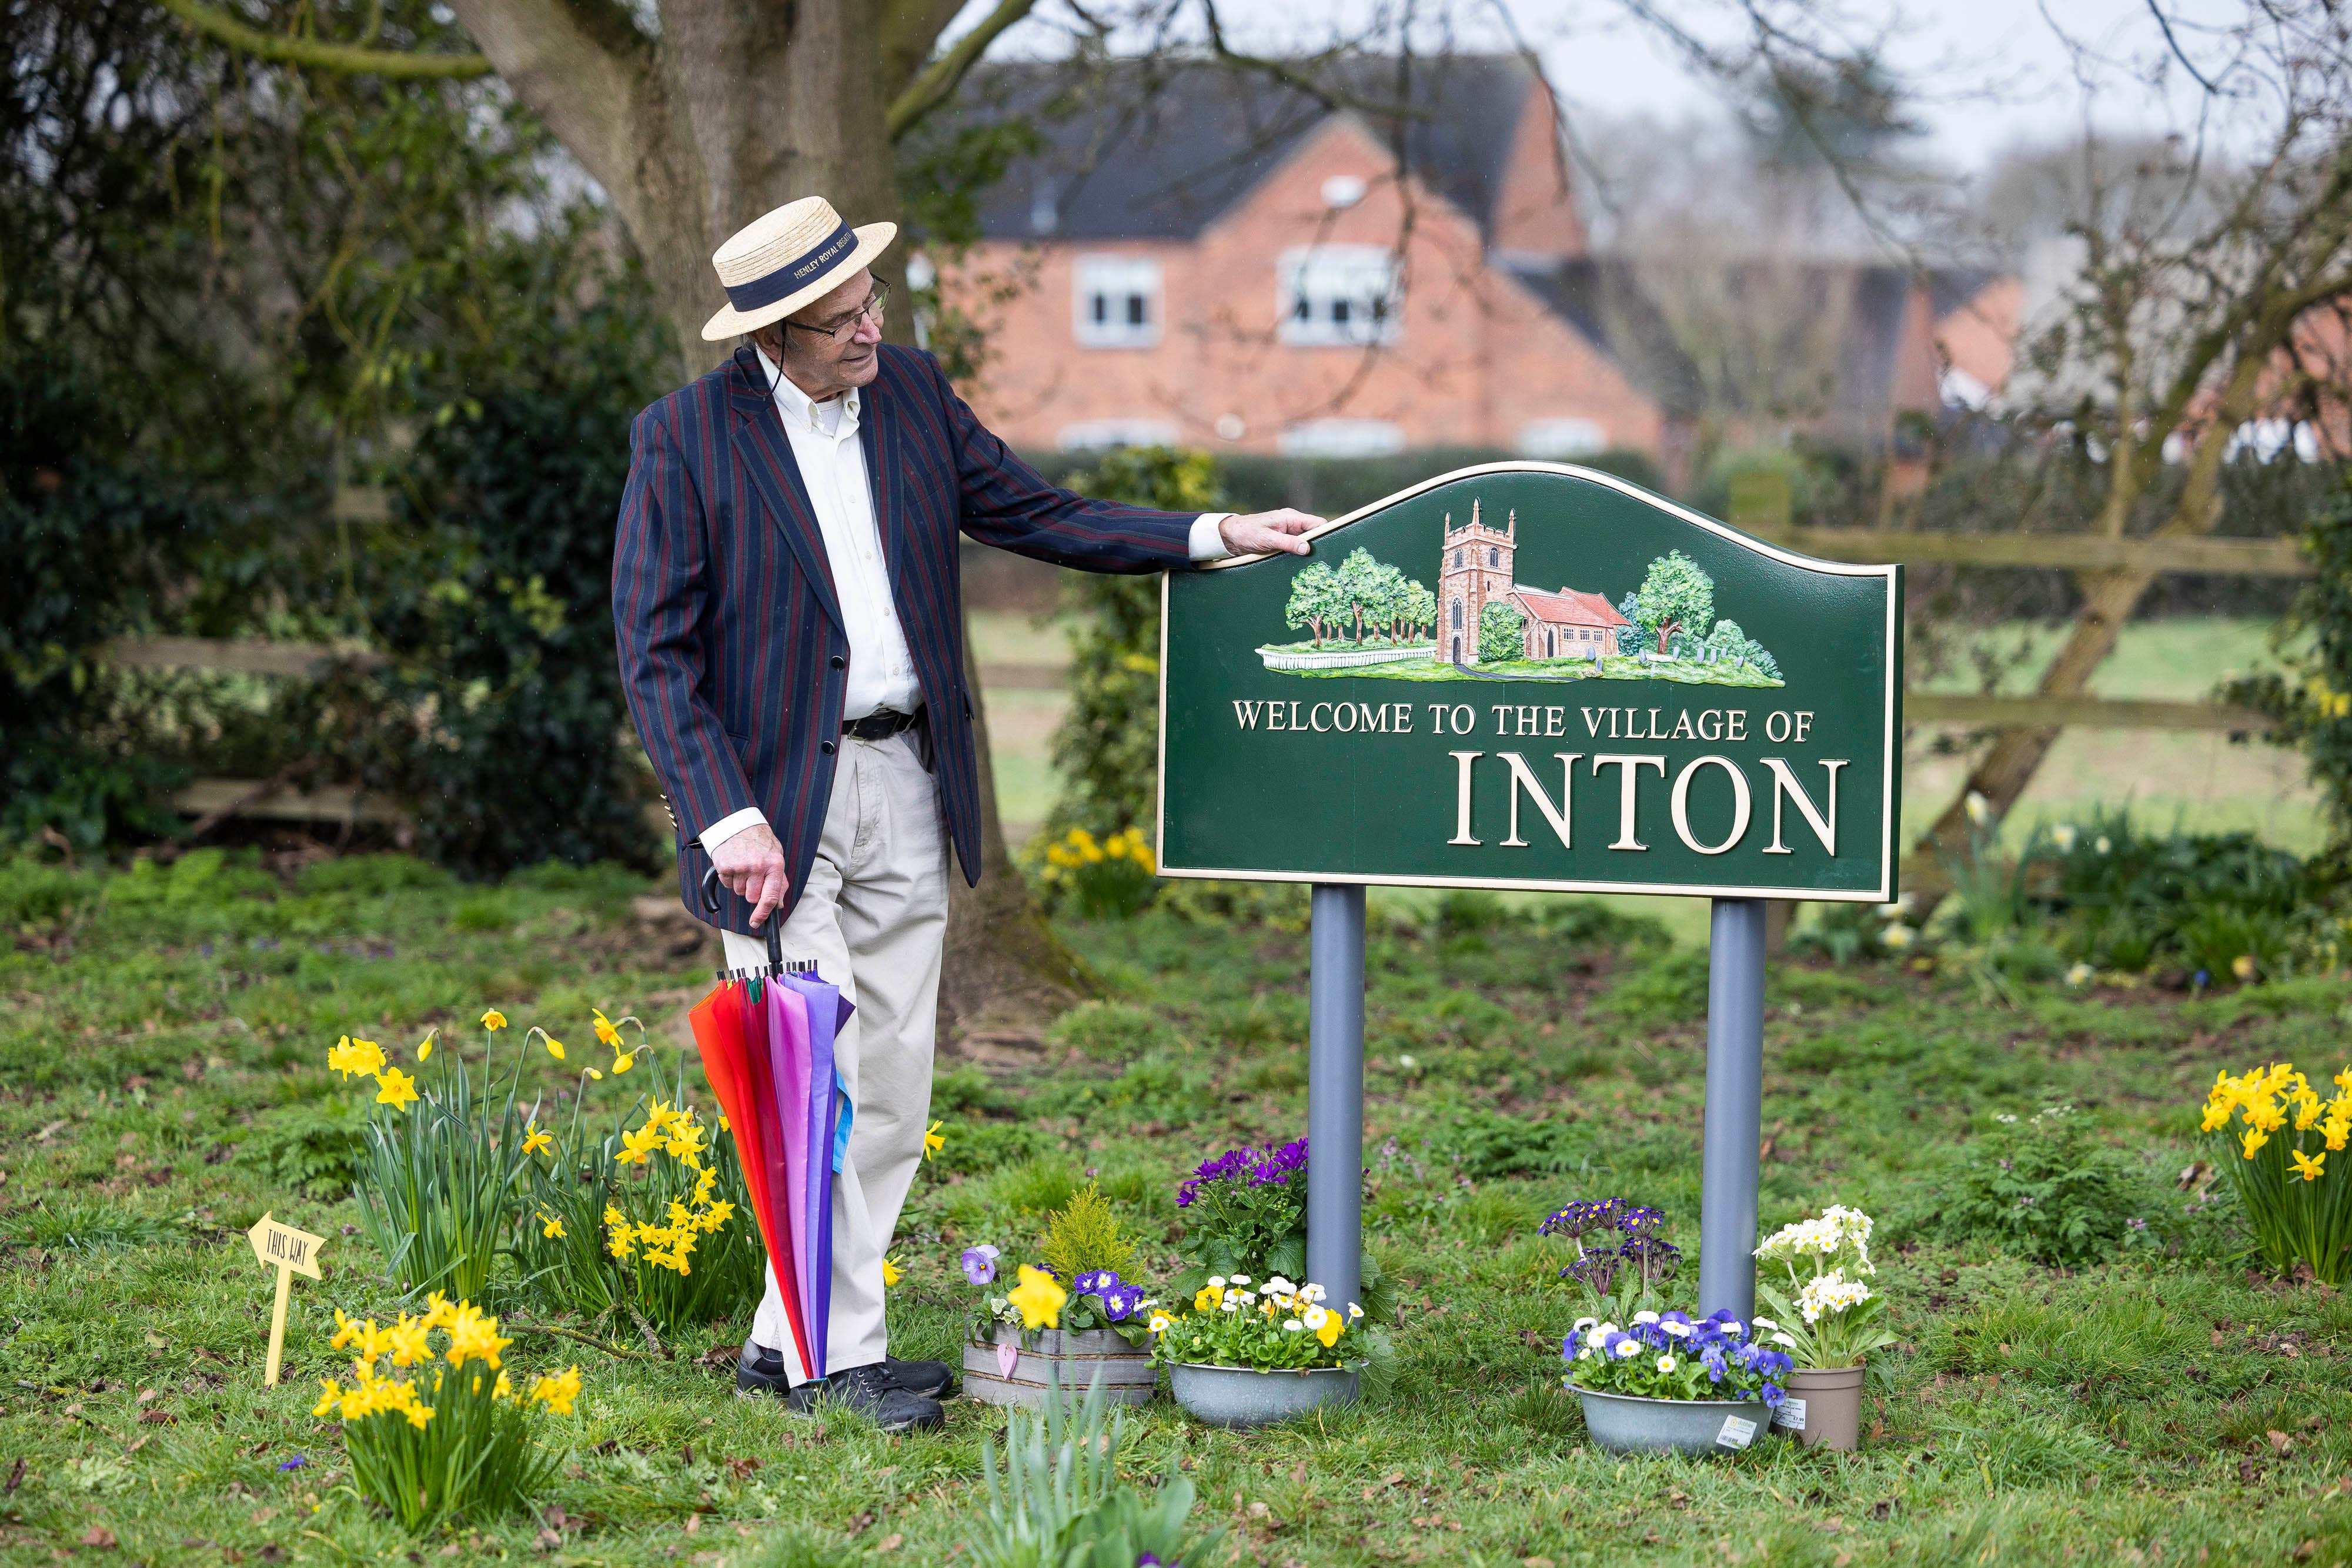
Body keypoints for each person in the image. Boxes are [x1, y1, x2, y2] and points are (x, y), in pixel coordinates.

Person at [612, 196, 1321, 1432]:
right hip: (770, 812)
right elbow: (654, 652)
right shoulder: (682, 440)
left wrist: (1213, 535)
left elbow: (1039, 513)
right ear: (773, 332)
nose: (867, 332)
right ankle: (836, 1364)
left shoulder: (913, 395)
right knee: (805, 1087)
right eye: (838, 322)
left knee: (889, 1082)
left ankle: (790, 1346)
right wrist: (724, 817)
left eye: (872, 305)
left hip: (908, 779)